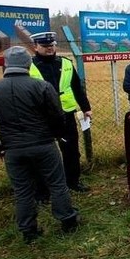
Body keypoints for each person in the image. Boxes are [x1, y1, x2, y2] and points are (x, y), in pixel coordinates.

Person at [0, 46, 80, 244]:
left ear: (6, 65)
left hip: (13, 149)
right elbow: (57, 116)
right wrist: (55, 135)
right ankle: (68, 221)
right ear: (28, 65)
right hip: (43, 145)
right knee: (57, 183)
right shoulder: (42, 87)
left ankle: (29, 231)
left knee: (22, 190)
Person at [29, 31, 92, 193]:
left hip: (66, 114)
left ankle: (73, 181)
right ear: (35, 47)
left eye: (52, 45)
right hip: (42, 117)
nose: (49, 49)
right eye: (45, 46)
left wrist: (86, 108)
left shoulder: (65, 63)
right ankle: (43, 190)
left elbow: (77, 88)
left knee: (71, 150)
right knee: (42, 154)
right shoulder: (29, 66)